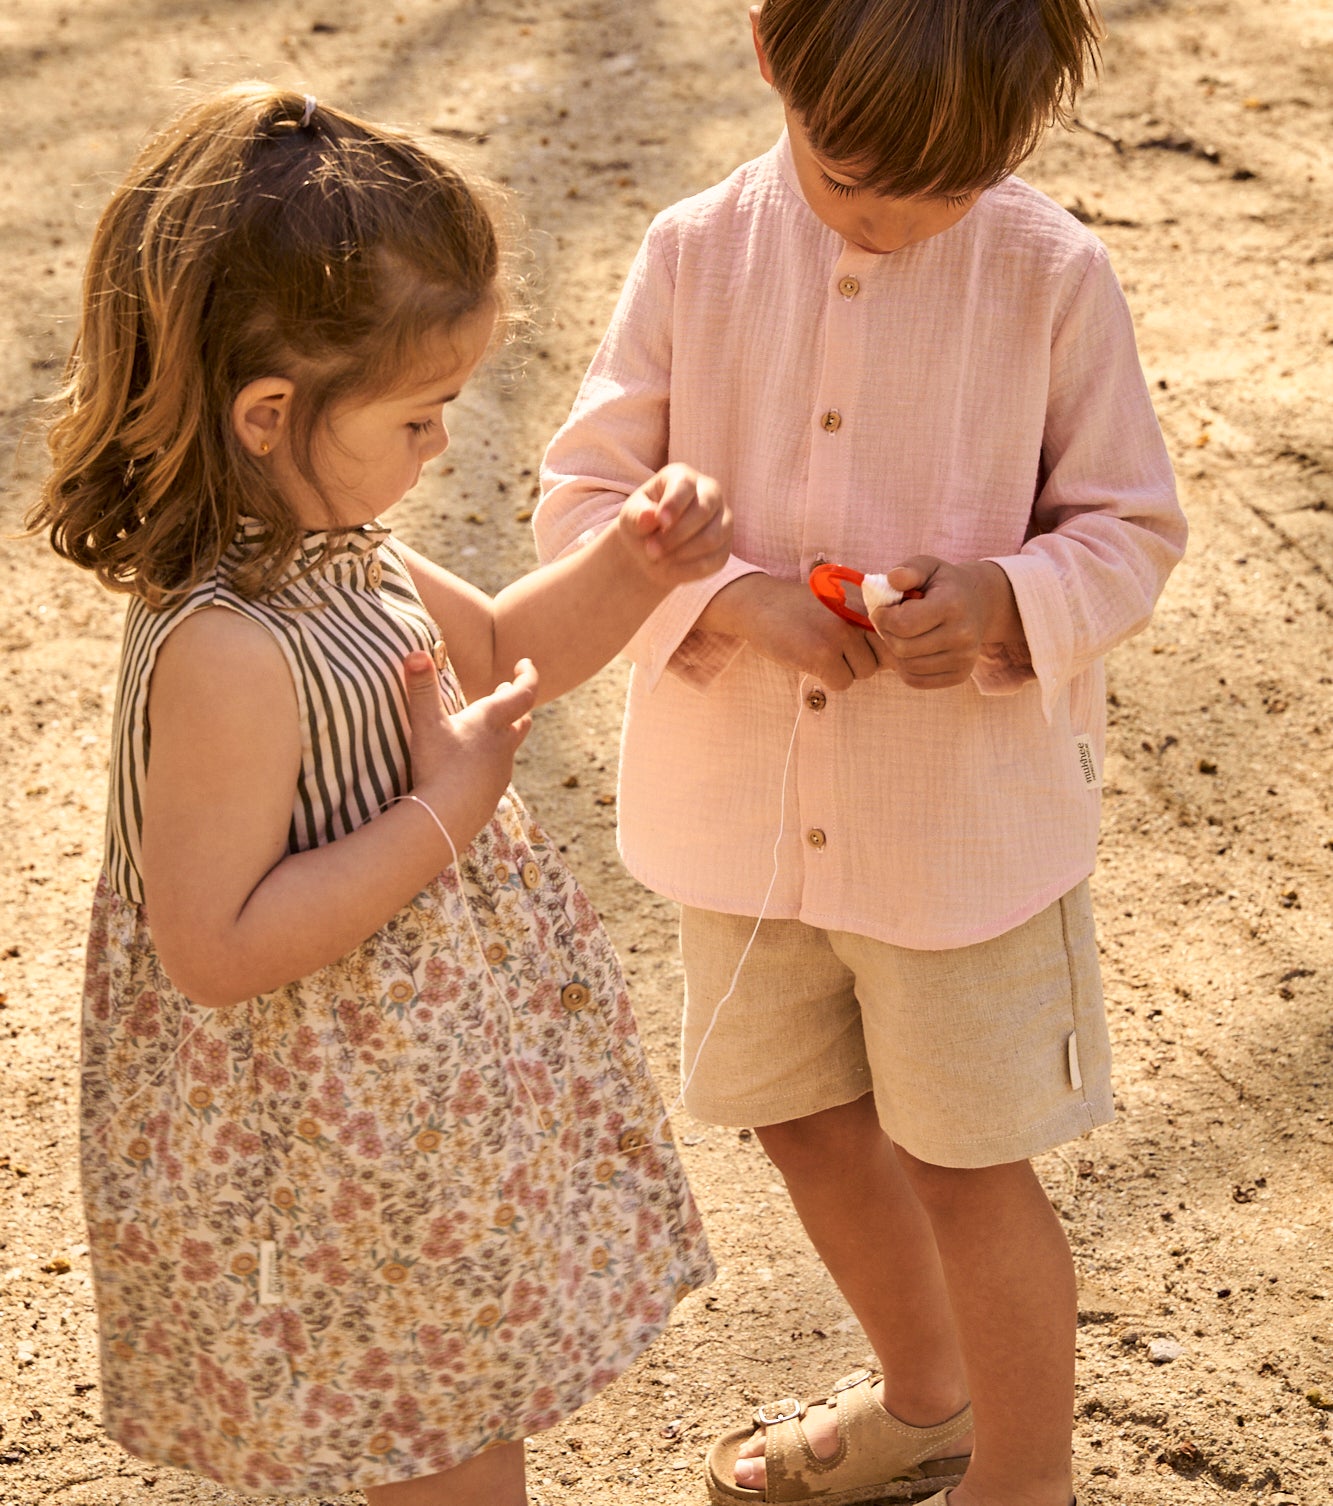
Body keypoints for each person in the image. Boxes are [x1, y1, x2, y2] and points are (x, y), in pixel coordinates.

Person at [29, 83, 729, 1506]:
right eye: (419, 415)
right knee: (430, 1425)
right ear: (272, 411)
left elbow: (502, 658)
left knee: (456, 1391)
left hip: (416, 1099)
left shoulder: (348, 551)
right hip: (325, 1120)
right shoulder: (225, 645)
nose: (442, 449)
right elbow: (210, 948)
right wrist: (442, 812)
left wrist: (635, 568)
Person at [536, 1, 1187, 1503]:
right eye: (847, 179)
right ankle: (927, 1397)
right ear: (770, 53)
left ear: (1017, 134)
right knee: (798, 1118)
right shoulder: (693, 254)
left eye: (942, 189)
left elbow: (1129, 528)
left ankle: (1025, 1480)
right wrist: (731, 598)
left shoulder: (1048, 275)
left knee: (967, 1158)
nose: (890, 221)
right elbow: (579, 504)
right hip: (741, 818)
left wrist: (1005, 602)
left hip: (957, 834)